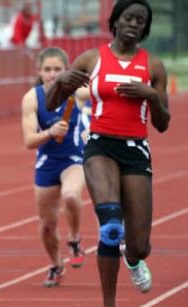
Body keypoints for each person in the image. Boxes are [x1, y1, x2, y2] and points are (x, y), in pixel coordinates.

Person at [45, 1, 170, 306]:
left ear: (146, 27)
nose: (134, 24)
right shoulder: (91, 58)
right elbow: (51, 104)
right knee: (111, 227)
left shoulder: (153, 66)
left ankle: (133, 258)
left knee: (140, 245)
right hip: (100, 146)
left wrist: (151, 96)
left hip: (136, 150)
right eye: (128, 18)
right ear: (115, 20)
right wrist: (62, 81)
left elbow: (163, 124)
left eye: (141, 21)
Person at [21, 46, 88, 287]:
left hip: (74, 158)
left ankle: (75, 239)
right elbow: (29, 141)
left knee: (71, 195)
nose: (52, 74)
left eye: (57, 69)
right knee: (47, 225)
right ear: (39, 71)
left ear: (66, 70)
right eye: (47, 70)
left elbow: (102, 94)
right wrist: (50, 132)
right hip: (47, 161)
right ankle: (57, 264)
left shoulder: (77, 93)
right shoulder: (32, 98)